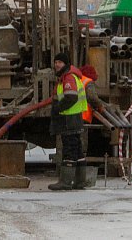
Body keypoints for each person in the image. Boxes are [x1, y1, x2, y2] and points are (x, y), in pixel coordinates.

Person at [49, 52, 88, 191]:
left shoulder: (68, 77)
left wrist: (58, 108)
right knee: (77, 150)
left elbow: (71, 97)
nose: (56, 65)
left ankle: (65, 181)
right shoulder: (69, 76)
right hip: (74, 118)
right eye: (55, 62)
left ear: (66, 64)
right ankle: (80, 181)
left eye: (59, 62)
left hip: (68, 119)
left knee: (69, 149)